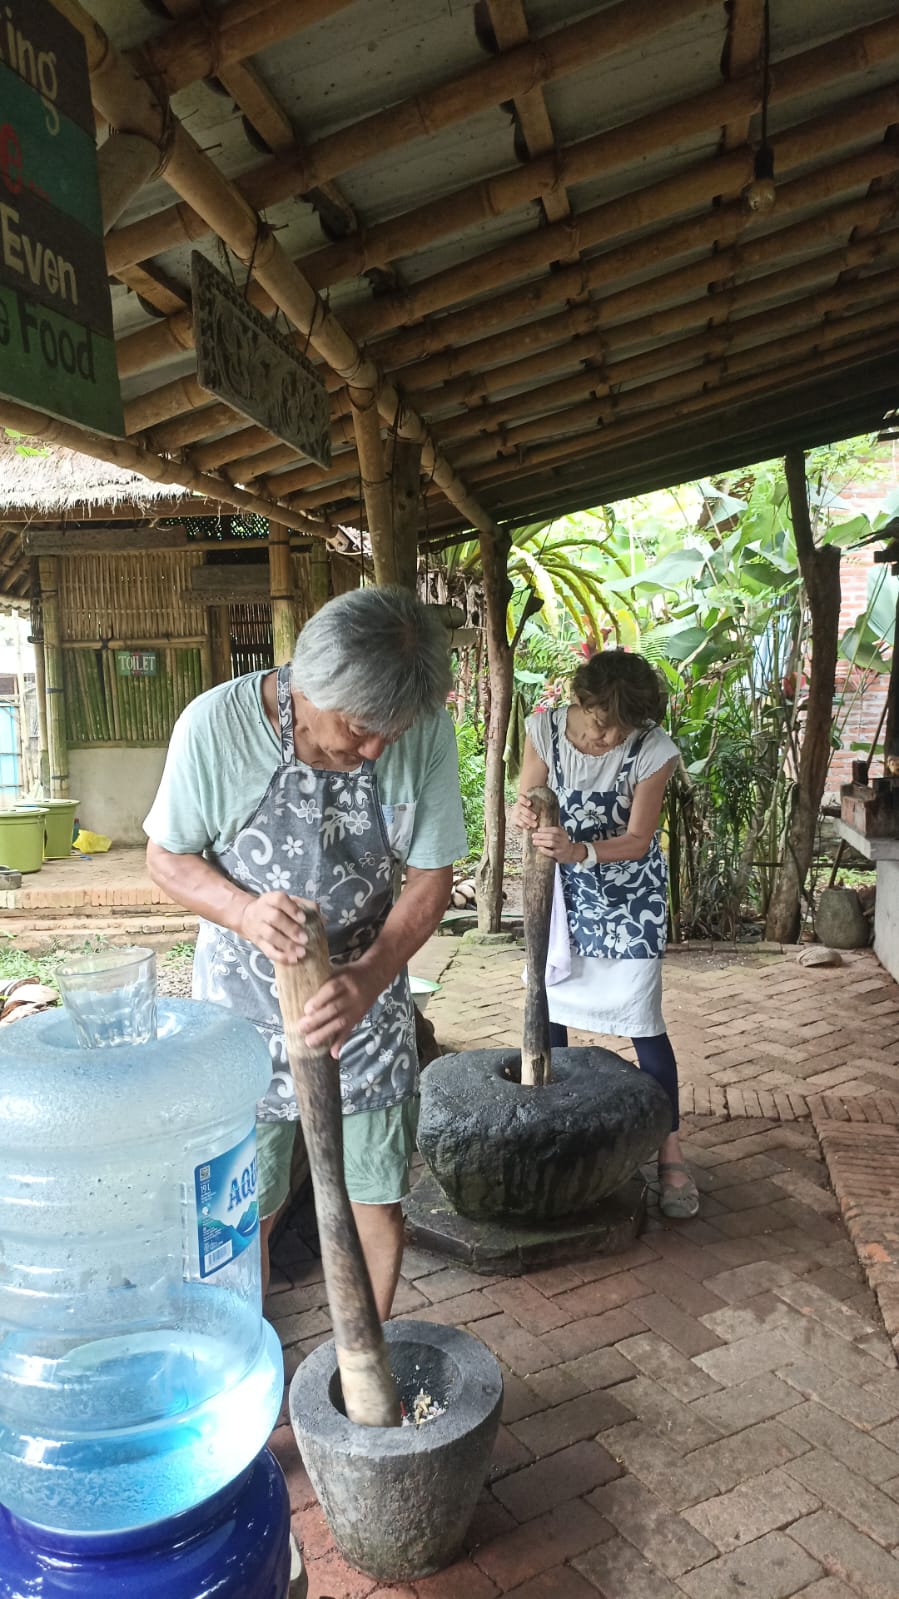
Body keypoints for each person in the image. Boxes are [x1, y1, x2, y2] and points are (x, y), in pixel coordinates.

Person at [144, 586, 467, 1315]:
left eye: (392, 732)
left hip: (365, 1002)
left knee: (375, 1196)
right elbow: (166, 857)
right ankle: (251, 1367)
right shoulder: (215, 728)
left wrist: (367, 979)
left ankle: (361, 1369)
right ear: (309, 685)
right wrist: (243, 911)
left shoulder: (422, 732)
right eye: (359, 728)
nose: (376, 749)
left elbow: (430, 880)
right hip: (245, 1010)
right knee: (240, 1212)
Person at [511, 648, 698, 1219]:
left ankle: (670, 1154)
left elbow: (639, 839)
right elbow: (527, 799)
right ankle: (560, 1139)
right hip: (562, 901)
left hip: (629, 903)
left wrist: (580, 850)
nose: (608, 737)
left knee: (643, 1023)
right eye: (599, 722)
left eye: (622, 728)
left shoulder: (654, 750)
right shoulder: (544, 731)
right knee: (550, 1012)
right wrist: (525, 814)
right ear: (579, 701)